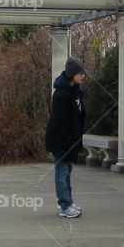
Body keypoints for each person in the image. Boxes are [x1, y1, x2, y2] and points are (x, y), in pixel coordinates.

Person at [45, 56, 86, 218]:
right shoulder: (61, 95)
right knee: (61, 172)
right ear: (72, 74)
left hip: (70, 140)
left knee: (67, 171)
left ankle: (68, 201)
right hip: (61, 141)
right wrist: (64, 145)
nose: (83, 75)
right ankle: (64, 205)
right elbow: (59, 123)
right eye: (80, 73)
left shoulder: (75, 92)